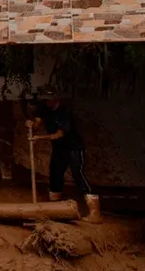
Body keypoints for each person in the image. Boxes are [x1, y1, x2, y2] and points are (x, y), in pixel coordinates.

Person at [25, 85, 102, 223]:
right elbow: (38, 122)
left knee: (77, 173)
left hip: (73, 147)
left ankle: (95, 213)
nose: (47, 102)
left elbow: (59, 135)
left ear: (55, 99)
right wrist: (32, 124)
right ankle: (56, 208)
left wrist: (38, 138)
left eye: (49, 99)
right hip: (59, 148)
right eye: (45, 99)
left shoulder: (64, 112)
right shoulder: (44, 108)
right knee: (55, 173)